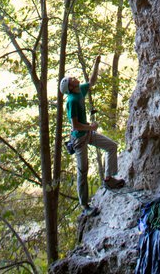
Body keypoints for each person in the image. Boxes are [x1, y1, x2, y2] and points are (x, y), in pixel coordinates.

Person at [60, 55, 125, 215]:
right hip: (80, 139)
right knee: (83, 171)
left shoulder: (80, 90)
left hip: (87, 133)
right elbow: (74, 125)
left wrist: (96, 64)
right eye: (71, 79)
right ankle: (85, 206)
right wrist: (91, 127)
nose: (74, 78)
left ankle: (109, 179)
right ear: (70, 87)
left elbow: (92, 81)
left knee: (112, 146)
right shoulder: (72, 101)